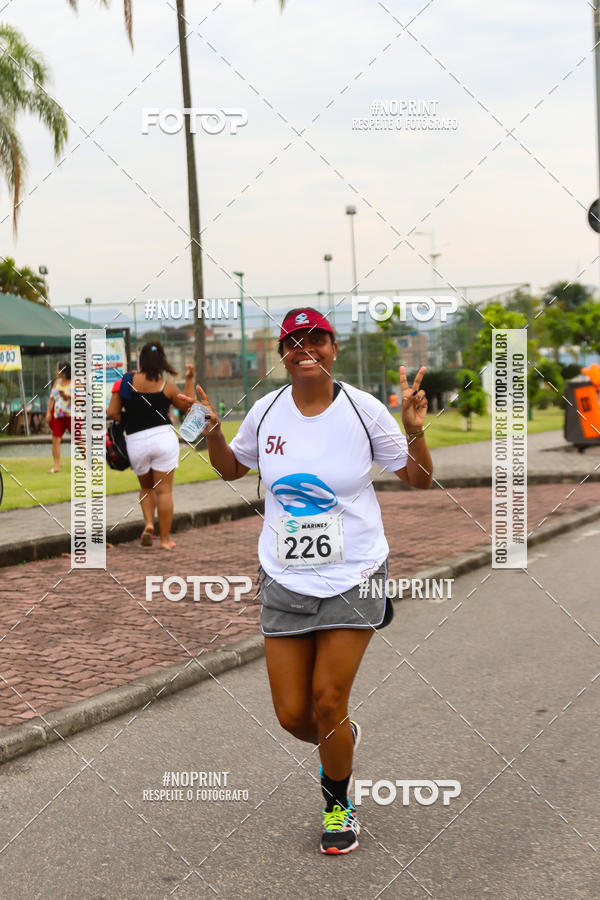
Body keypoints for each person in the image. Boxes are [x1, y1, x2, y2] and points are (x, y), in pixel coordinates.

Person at [178, 307, 432, 854]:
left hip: (355, 571)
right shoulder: (266, 411)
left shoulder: (363, 411)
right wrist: (213, 434)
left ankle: (339, 804)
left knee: (326, 699)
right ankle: (342, 739)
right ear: (282, 354)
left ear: (333, 347)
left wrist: (416, 433)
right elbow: (231, 470)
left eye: (316, 338)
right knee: (295, 714)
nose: (305, 348)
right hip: (285, 574)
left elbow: (418, 479)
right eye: (293, 341)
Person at [107, 342, 194, 550]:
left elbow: (112, 413)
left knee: (146, 488)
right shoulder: (168, 387)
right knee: (164, 492)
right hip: (163, 438)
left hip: (136, 441)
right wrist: (190, 378)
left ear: (141, 361)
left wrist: (126, 414)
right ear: (163, 362)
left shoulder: (126, 383)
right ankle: (165, 540)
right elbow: (188, 406)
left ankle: (148, 525)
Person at [46, 361, 72, 473]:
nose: (56, 371)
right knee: (55, 440)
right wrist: (48, 412)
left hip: (72, 415)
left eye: (58, 369)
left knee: (79, 441)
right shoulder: (57, 382)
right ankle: (56, 466)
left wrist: (67, 395)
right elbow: (52, 398)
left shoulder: (75, 382)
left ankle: (86, 464)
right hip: (58, 416)